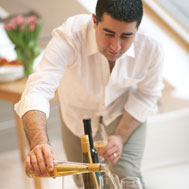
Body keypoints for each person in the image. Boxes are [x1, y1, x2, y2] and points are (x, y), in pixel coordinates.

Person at [15, 0, 164, 186]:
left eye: (126, 36)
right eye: (108, 33)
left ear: (137, 30)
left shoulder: (151, 47)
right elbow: (37, 89)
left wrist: (120, 137)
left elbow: (147, 95)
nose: (115, 46)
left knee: (126, 176)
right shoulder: (69, 36)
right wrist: (38, 143)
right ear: (95, 21)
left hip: (123, 112)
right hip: (76, 115)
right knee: (87, 182)